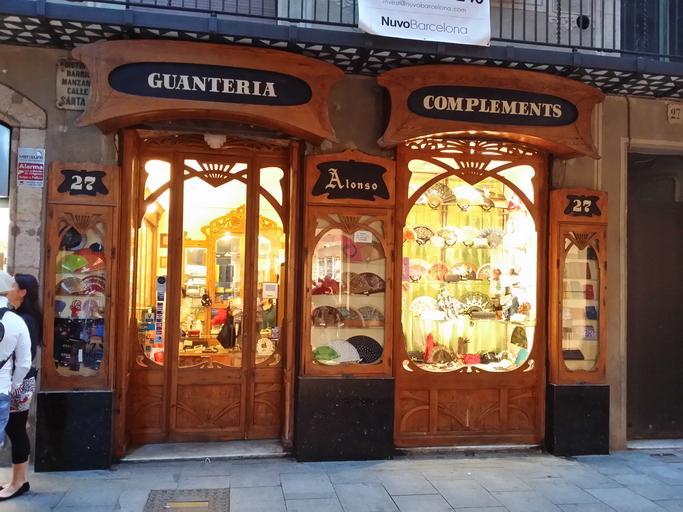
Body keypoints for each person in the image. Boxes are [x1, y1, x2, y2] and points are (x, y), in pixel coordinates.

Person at [1, 274, 41, 501]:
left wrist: (14, 383)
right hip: (15, 380)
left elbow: (27, 355)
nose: (9, 288)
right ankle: (17, 480)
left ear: (23, 291)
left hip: (19, 381)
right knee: (13, 428)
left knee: (15, 429)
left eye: (13, 285)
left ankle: (19, 481)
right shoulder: (17, 316)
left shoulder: (25, 319)